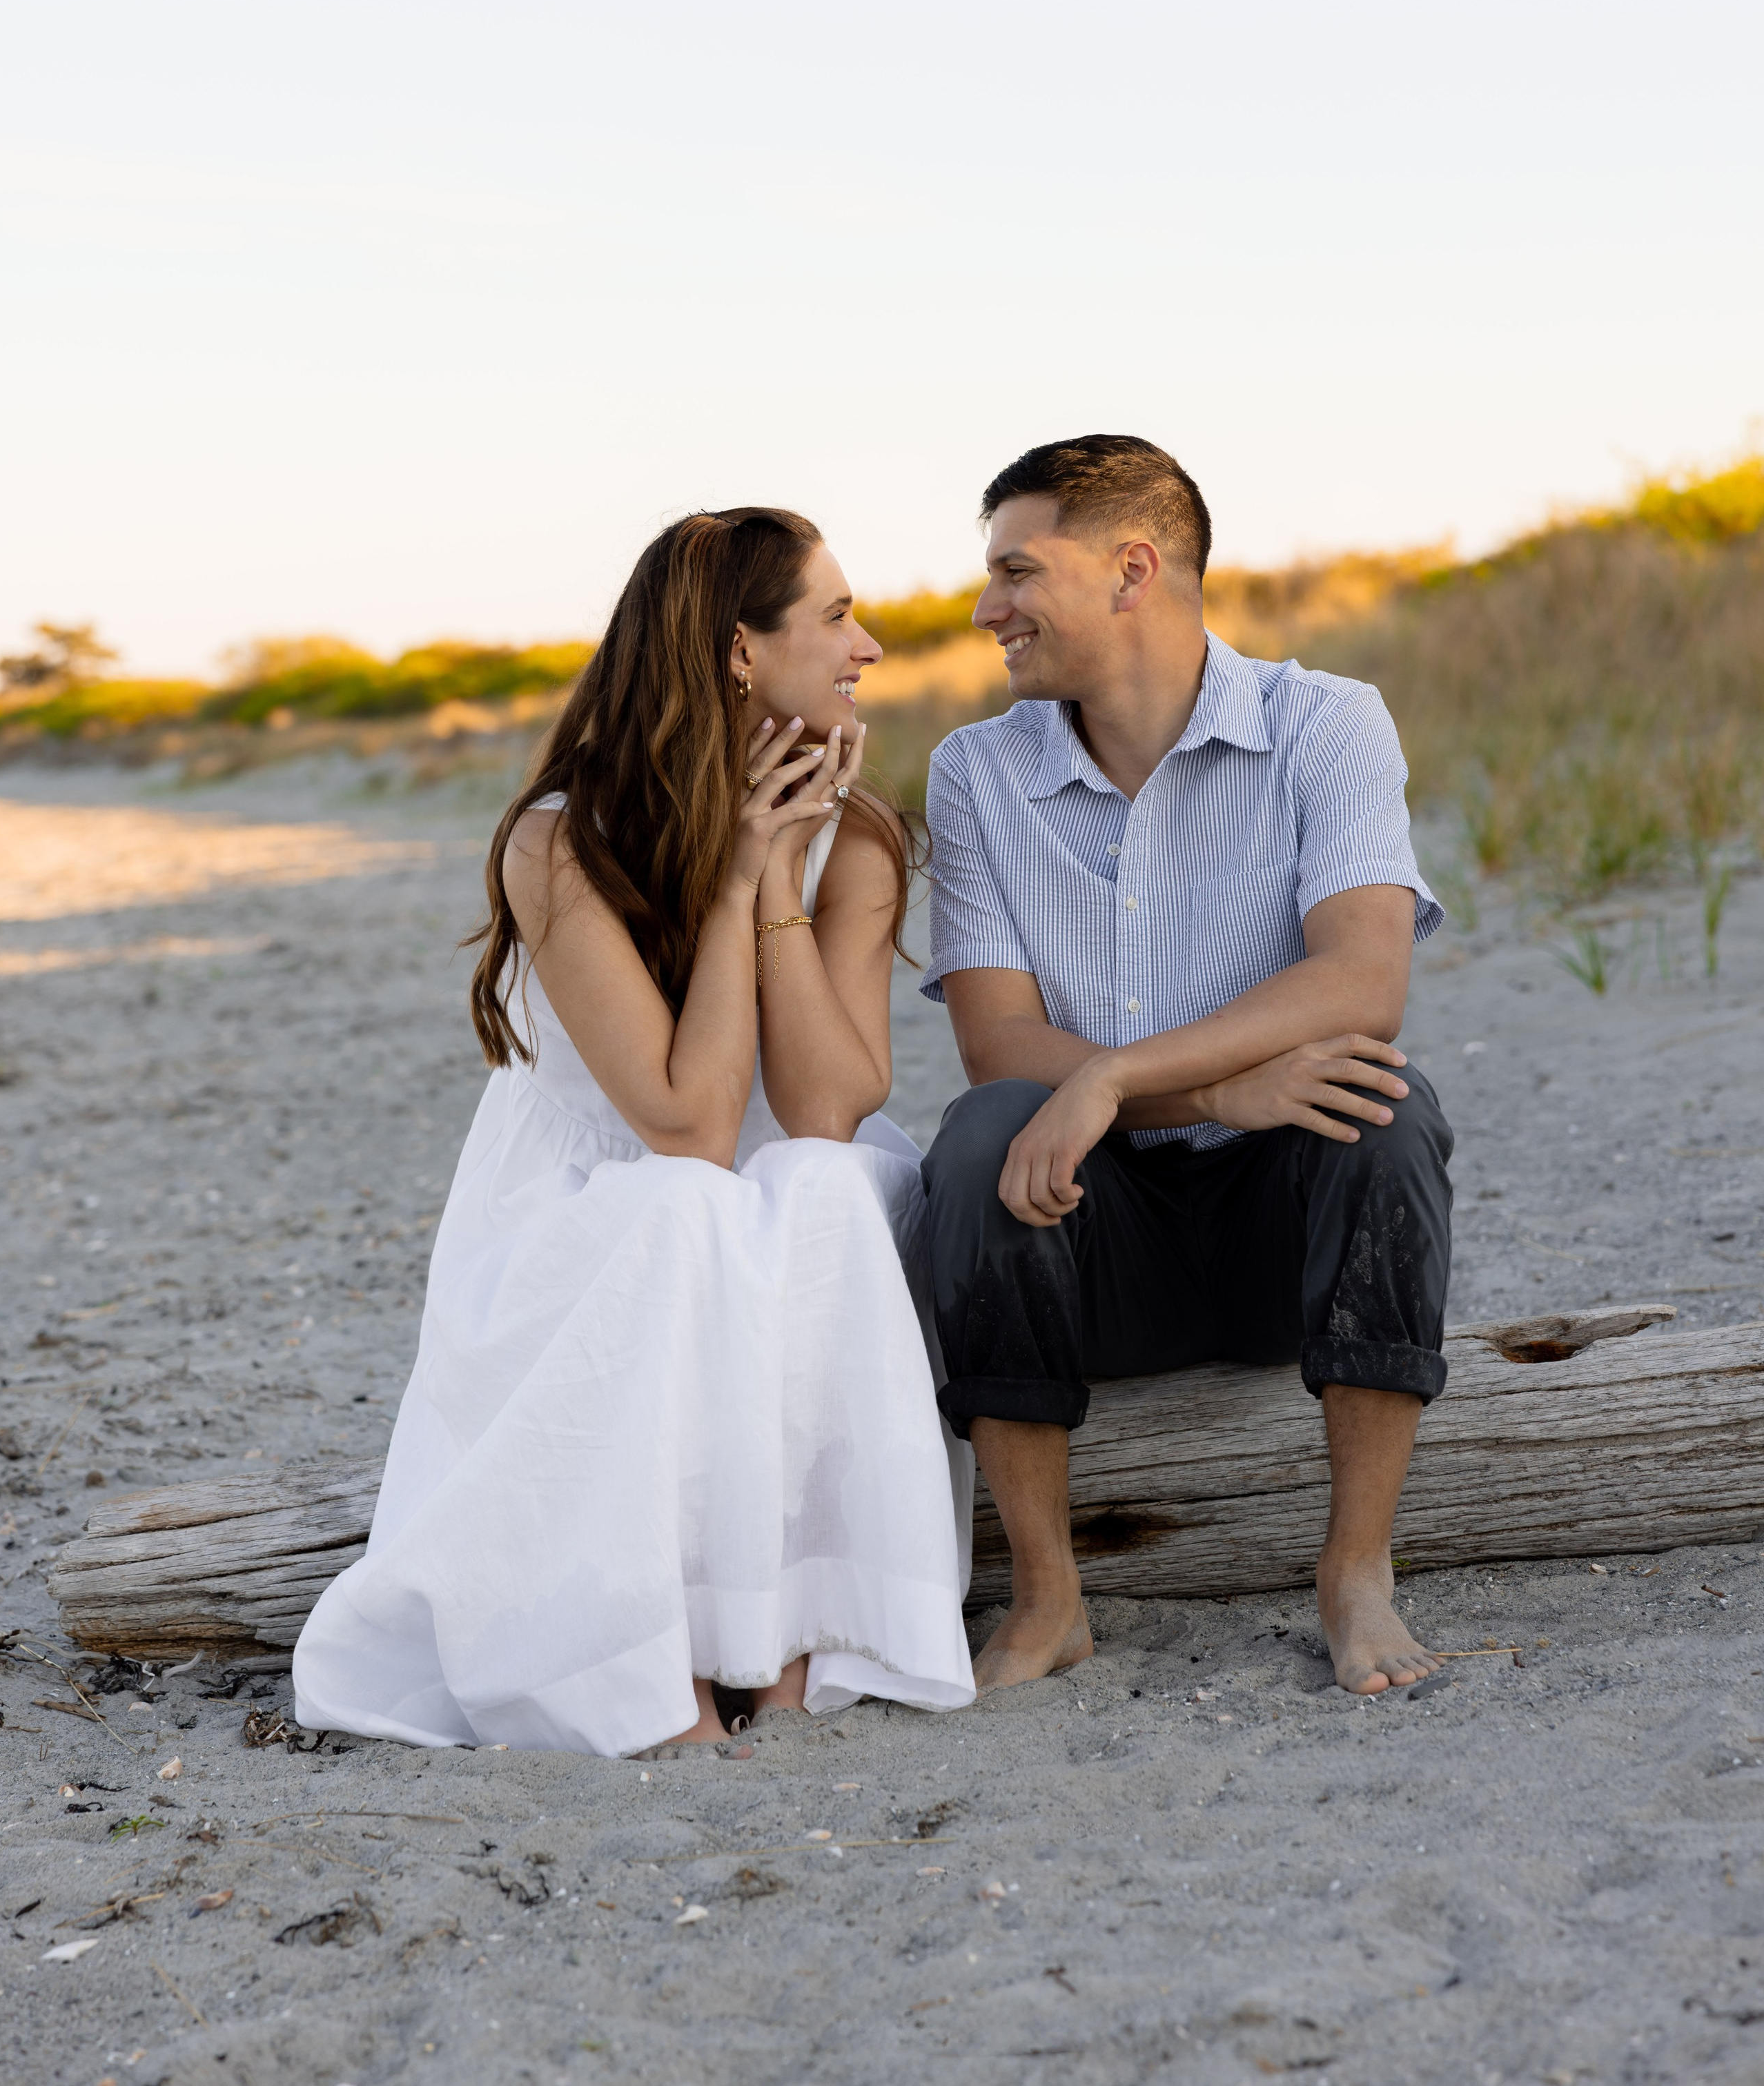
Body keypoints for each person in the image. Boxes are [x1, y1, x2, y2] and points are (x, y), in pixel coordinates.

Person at [293, 508, 974, 1757]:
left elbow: (825, 1107)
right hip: (596, 1202)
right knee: (684, 1210)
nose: (868, 644)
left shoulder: (860, 835)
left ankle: (791, 1631)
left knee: (826, 1183)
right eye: (834, 616)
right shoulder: (560, 840)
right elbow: (684, 1123)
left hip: (762, 1192)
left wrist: (776, 872)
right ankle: (649, 1669)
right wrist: (727, 875)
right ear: (738, 654)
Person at [919, 434, 1453, 1698]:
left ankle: (1356, 1573)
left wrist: (1108, 1074)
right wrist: (1206, 1089)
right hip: (1095, 1235)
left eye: (1016, 571)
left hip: (1286, 1235)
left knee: (1382, 1104)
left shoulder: (1327, 723)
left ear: (1131, 570)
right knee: (989, 1128)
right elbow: (1001, 1044)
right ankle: (1051, 1597)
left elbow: (1361, 983)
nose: (987, 609)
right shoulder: (978, 772)